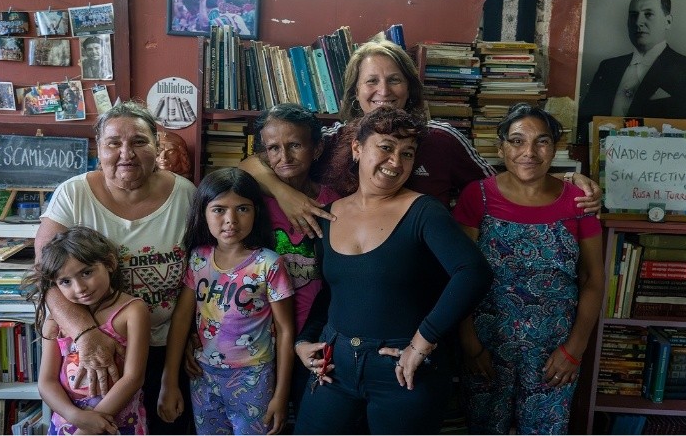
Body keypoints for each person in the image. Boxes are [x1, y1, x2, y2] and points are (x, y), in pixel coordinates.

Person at [240, 39, 601, 242]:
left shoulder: (442, 139)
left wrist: (565, 180)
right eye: (371, 81)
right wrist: (285, 194)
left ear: (410, 87)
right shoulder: (332, 140)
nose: (383, 91)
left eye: (394, 80)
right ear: (354, 91)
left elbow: (503, 184)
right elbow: (251, 166)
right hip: (340, 277)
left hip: (426, 278)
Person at [293, 106, 493, 434]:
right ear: (358, 149)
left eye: (408, 153)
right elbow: (332, 292)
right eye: (386, 147)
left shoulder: (423, 211)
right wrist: (304, 340)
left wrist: (422, 342)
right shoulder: (328, 215)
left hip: (403, 368)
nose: (396, 162)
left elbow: (473, 272)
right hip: (333, 365)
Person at [35, 100, 197, 434]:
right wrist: (85, 333)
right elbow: (45, 273)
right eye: (113, 143)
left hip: (168, 345)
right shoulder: (74, 194)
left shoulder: (186, 195)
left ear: (156, 146)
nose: (127, 153)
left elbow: (199, 274)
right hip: (95, 345)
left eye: (139, 142)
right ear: (99, 148)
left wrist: (196, 333)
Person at [452, 103, 604, 434]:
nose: (529, 152)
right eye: (518, 141)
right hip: (487, 350)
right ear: (501, 146)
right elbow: (458, 275)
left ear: (555, 146)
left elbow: (593, 279)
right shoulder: (477, 197)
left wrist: (574, 349)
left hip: (554, 354)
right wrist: (469, 344)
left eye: (542, 141)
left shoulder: (579, 201)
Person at [157, 168, 294, 435]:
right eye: (219, 209)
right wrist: (169, 380)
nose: (230, 220)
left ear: (256, 212)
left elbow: (286, 330)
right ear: (203, 213)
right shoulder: (198, 259)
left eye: (242, 209)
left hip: (253, 377)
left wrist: (281, 394)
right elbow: (182, 319)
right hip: (202, 375)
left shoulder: (268, 264)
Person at [251, 103, 339, 409]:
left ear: (317, 149)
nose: (284, 157)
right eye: (273, 148)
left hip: (313, 332)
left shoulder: (334, 204)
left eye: (295, 145)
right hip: (257, 335)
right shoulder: (252, 203)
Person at [26, 226, 150, 435]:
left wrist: (90, 429)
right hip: (68, 422)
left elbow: (133, 377)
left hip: (119, 422)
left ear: (109, 264)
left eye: (86, 272)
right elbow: (46, 382)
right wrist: (77, 418)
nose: (79, 288)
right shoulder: (56, 321)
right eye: (65, 281)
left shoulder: (132, 311)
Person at [580, 0, 686, 124]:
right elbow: (585, 121)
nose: (638, 22)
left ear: (667, 22)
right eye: (633, 15)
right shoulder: (608, 67)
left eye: (648, 14)